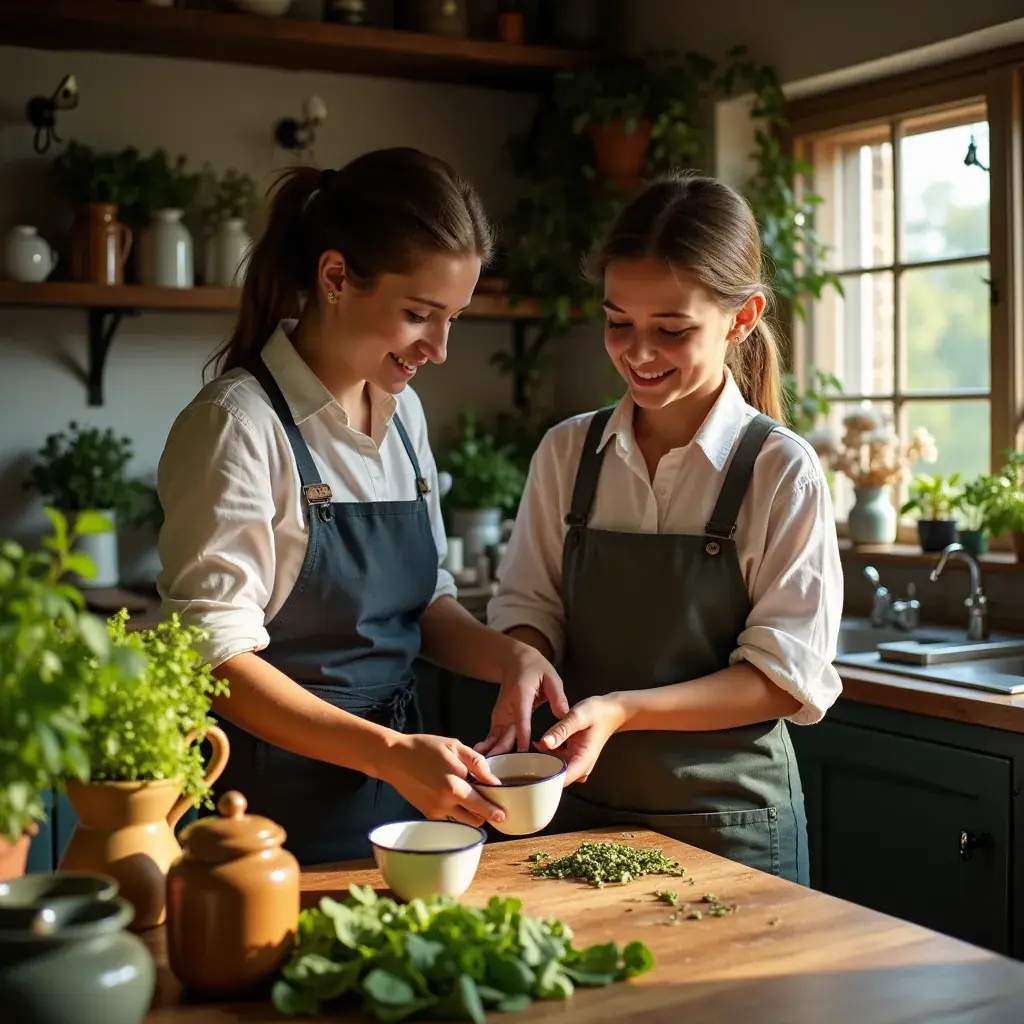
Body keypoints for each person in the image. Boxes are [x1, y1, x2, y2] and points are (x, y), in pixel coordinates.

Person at [157, 148, 566, 866]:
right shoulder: (237, 424)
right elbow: (213, 656)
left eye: (454, 320)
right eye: (419, 314)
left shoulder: (404, 418)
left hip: (403, 803)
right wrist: (387, 753)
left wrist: (511, 656)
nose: (438, 349)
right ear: (336, 277)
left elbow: (424, 604)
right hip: (264, 814)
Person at [480, 174, 843, 884]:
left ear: (742, 318)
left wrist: (620, 710)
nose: (638, 353)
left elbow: (780, 679)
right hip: (576, 816)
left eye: (672, 330)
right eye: (619, 322)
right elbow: (528, 610)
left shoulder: (779, 471)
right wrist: (520, 665)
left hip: (732, 829)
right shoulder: (566, 454)